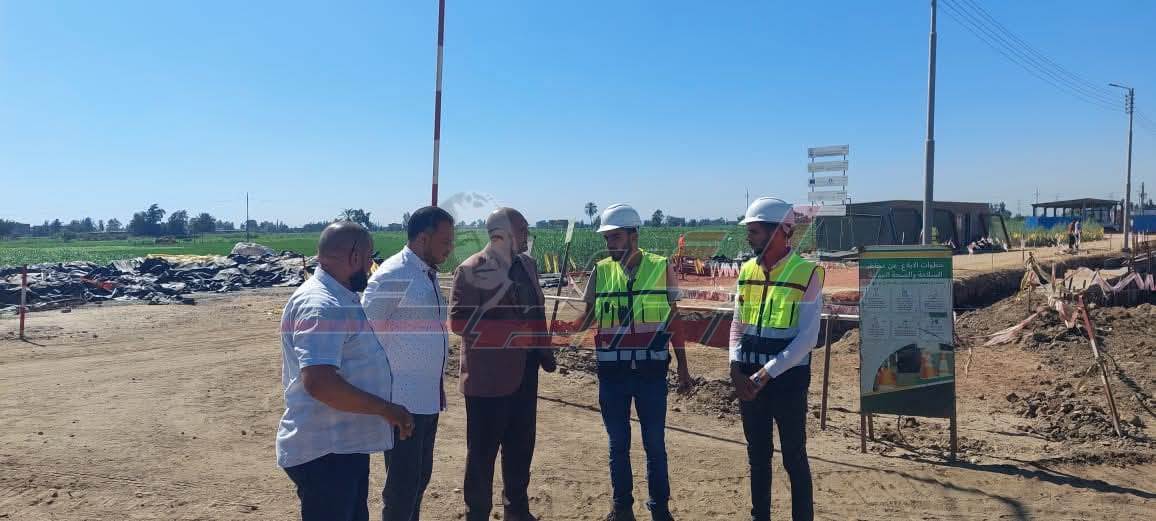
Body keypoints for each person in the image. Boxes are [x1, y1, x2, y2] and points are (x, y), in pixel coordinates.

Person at [277, 222, 415, 521]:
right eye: (368, 257)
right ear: (354, 257)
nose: (370, 265)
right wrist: (385, 408)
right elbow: (320, 383)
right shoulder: (321, 304)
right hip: (325, 453)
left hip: (342, 446)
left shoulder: (339, 296)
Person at [572, 203, 692, 521]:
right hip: (613, 376)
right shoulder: (601, 271)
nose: (610, 244)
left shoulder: (660, 267)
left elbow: (674, 320)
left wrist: (683, 366)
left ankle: (660, 509)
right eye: (607, 239)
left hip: (651, 374)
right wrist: (558, 332)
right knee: (618, 445)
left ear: (633, 235)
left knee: (655, 445)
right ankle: (622, 507)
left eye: (615, 237)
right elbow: (587, 317)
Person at [450, 207, 557, 521]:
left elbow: (536, 309)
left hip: (526, 372)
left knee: (521, 446)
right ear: (506, 234)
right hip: (488, 380)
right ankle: (477, 514)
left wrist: (543, 349)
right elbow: (459, 323)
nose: (527, 236)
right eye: (523, 230)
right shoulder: (470, 270)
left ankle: (517, 510)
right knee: (482, 454)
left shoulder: (528, 265)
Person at [730, 197, 824, 521]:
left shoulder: (807, 273)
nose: (749, 238)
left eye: (754, 231)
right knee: (757, 457)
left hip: (787, 383)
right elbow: (738, 323)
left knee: (793, 458)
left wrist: (765, 374)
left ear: (780, 232)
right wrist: (734, 367)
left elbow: (808, 339)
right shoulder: (746, 270)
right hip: (749, 381)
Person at [363, 206, 455, 521]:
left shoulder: (425, 273)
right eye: (445, 241)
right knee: (402, 488)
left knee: (418, 481)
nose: (450, 248)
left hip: (428, 399)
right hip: (403, 402)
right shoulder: (393, 276)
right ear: (423, 238)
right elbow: (365, 336)